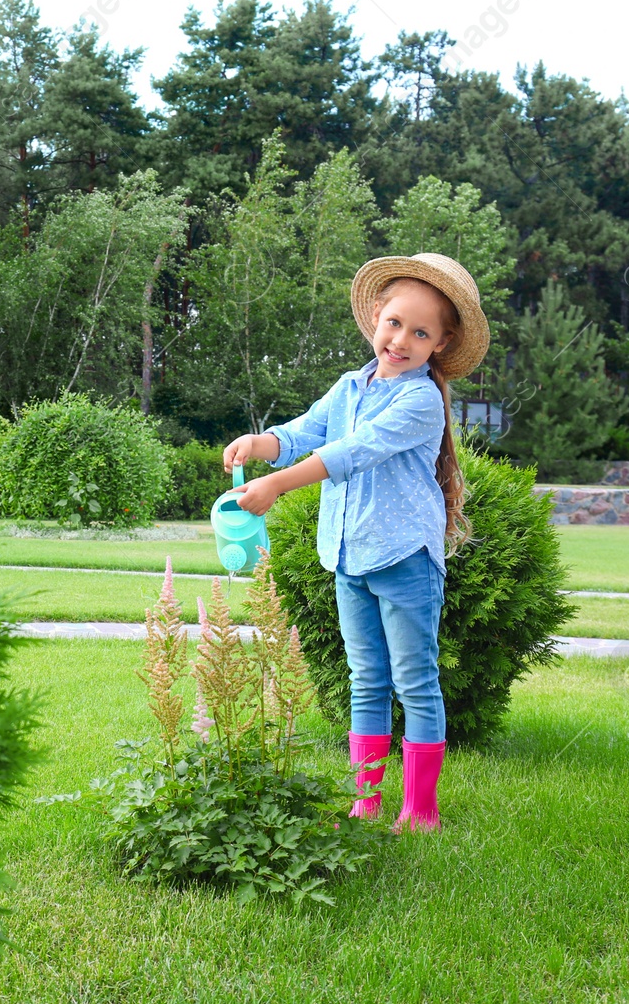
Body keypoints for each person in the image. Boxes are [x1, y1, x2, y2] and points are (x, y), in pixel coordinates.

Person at [220, 253, 490, 833]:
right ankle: (365, 801)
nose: (402, 340)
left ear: (440, 344)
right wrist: (261, 443)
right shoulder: (349, 387)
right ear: (375, 315)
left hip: (403, 558)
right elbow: (306, 433)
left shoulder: (419, 402)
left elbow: (350, 453)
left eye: (421, 332)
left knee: (414, 680)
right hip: (348, 555)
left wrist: (277, 486)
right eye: (395, 323)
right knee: (365, 678)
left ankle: (421, 810)